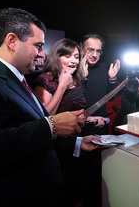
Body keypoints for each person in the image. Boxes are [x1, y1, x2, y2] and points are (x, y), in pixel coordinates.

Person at [0, 8, 100, 207]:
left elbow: (26, 129)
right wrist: (51, 125)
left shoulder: (19, 78)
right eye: (38, 46)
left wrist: (76, 143)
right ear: (11, 41)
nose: (42, 53)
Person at [33, 38, 106, 207]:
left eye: (76, 56)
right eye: (67, 56)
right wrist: (62, 86)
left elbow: (73, 112)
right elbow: (45, 119)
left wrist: (88, 119)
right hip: (54, 150)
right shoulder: (46, 80)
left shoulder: (78, 81)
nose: (73, 60)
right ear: (56, 57)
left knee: (78, 193)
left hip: (75, 145)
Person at [80, 33, 120, 135]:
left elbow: (109, 98)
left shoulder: (103, 68)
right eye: (90, 50)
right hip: (79, 127)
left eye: (98, 51)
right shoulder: (73, 68)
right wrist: (81, 77)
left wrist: (112, 79)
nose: (94, 55)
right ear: (81, 49)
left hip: (100, 126)